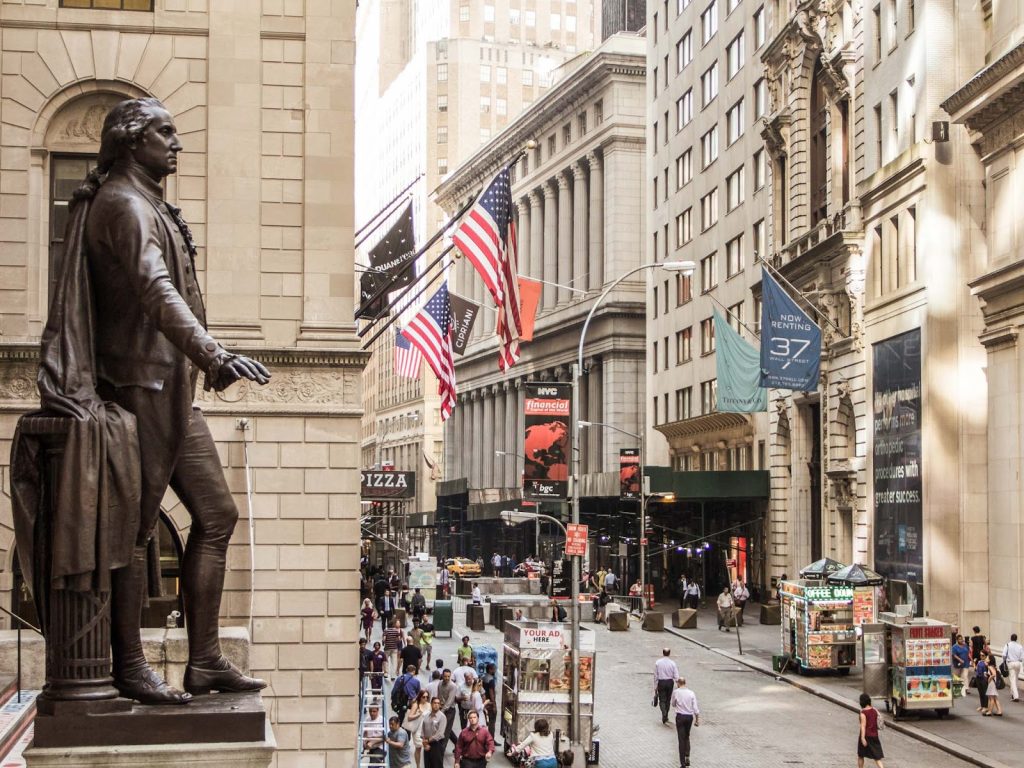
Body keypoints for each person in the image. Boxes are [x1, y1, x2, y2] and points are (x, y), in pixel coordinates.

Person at [37, 98, 272, 705]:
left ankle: (205, 661)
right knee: (132, 533)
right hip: (139, 390)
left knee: (216, 515)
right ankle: (130, 666)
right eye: (164, 133)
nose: (177, 143)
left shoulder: (146, 201)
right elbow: (155, 287)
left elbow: (171, 292)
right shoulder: (122, 202)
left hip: (171, 391)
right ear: (131, 139)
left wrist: (203, 359)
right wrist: (213, 354)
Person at [670, 677, 699, 767]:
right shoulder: (691, 693)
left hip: (680, 717)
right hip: (689, 717)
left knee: (681, 739)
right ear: (685, 683)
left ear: (678, 683)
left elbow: (673, 704)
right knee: (687, 736)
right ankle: (687, 755)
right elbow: (695, 708)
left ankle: (682, 763)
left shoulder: (676, 692)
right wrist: (697, 719)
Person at [857, 693, 884, 768]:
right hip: (875, 735)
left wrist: (862, 738)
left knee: (861, 755)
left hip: (866, 736)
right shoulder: (874, 711)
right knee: (877, 758)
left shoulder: (863, 713)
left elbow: (863, 726)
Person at [654, 648, 680, 725]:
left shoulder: (658, 662)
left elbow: (655, 675)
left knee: (662, 699)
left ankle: (664, 713)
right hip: (669, 682)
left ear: (663, 653)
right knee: (668, 699)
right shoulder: (672, 663)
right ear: (669, 653)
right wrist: (678, 683)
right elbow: (676, 675)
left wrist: (655, 686)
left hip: (661, 682)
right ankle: (666, 715)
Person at [405, 689, 430, 767]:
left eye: (427, 697)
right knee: (418, 748)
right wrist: (418, 715)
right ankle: (418, 766)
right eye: (423, 697)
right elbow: (409, 717)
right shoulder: (416, 704)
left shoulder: (429, 705)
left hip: (427, 729)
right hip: (418, 728)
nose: (425, 699)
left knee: (427, 748)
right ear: (420, 697)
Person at [421, 697, 449, 768]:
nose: (436, 705)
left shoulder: (442, 717)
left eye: (438, 703)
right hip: (427, 744)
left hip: (437, 744)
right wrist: (424, 743)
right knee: (427, 765)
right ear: (431, 704)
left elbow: (440, 734)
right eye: (434, 703)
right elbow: (422, 730)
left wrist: (428, 741)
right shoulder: (426, 716)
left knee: (436, 765)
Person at [438, 668, 460, 745]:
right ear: (442, 676)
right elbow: (439, 696)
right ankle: (457, 743)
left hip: (449, 710)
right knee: (445, 728)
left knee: (446, 731)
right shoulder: (440, 683)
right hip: (441, 708)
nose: (447, 678)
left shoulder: (453, 686)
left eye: (448, 676)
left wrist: (441, 713)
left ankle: (441, 751)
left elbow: (449, 702)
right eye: (445, 676)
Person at [1002, 633, 1024, 702]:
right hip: (1018, 663)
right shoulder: (1020, 646)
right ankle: (1013, 693)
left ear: (1011, 638)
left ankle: (1015, 696)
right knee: (1016, 679)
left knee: (1012, 680)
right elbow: (1022, 657)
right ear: (1016, 639)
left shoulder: (1007, 645)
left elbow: (1003, 655)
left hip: (1010, 663)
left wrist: (1004, 661)